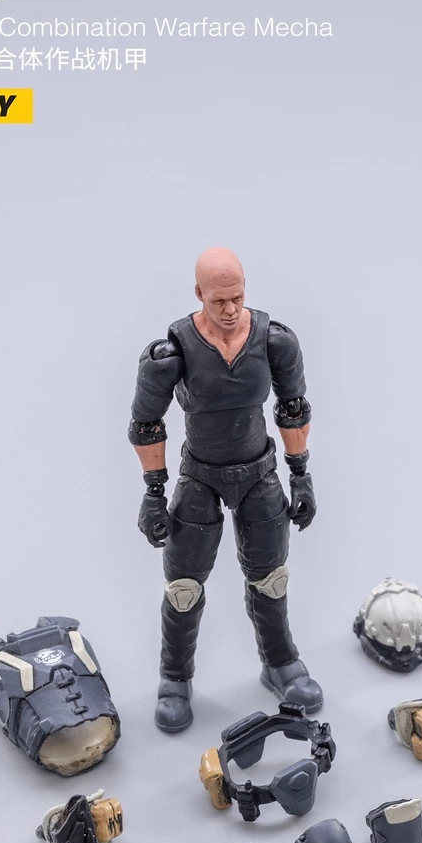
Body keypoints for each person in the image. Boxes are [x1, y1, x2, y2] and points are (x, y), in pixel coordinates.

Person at [129, 247, 322, 731]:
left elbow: (293, 407)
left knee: (271, 578)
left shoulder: (273, 341)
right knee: (183, 587)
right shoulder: (172, 354)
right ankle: (175, 678)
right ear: (199, 294)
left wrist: (300, 475)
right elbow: (147, 424)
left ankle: (280, 662)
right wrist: (154, 493)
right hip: (200, 476)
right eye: (219, 300)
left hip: (259, 473)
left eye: (238, 297)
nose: (231, 309)